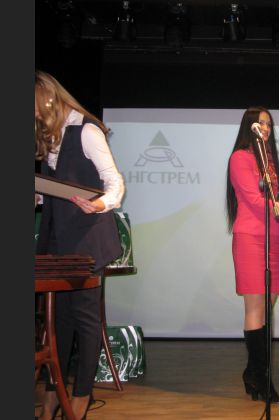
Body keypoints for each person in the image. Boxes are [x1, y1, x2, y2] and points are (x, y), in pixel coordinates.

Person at [35, 70, 125, 420]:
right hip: (58, 240)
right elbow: (59, 189)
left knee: (85, 321)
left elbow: (115, 183)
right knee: (58, 322)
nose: (34, 115)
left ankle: (82, 396)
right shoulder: (50, 136)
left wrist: (100, 203)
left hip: (88, 239)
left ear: (48, 99)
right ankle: (54, 392)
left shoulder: (87, 130)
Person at [226, 106, 279, 403]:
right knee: (256, 309)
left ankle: (253, 374)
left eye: (269, 124)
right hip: (251, 238)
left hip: (275, 238)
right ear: (249, 126)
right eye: (260, 123)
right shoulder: (240, 158)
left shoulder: (269, 162)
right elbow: (255, 201)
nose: (265, 128)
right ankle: (262, 379)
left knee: (268, 309)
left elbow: (276, 206)